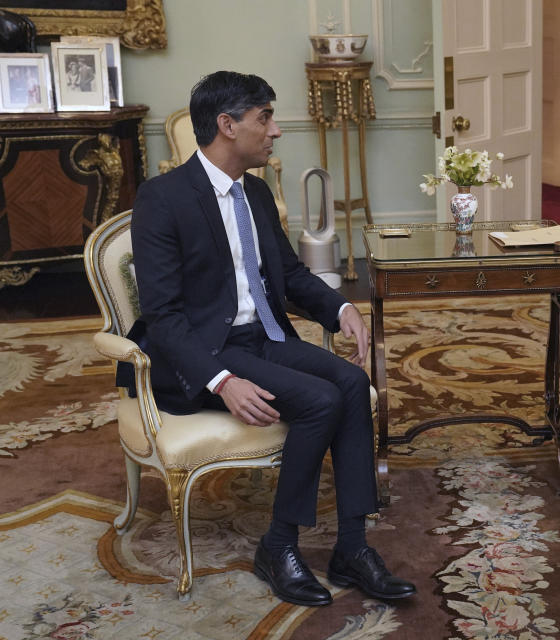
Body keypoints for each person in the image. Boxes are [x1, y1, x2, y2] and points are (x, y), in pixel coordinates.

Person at [128, 71, 416, 607]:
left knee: (352, 383)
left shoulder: (255, 192)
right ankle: (278, 546)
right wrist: (221, 381)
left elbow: (290, 273)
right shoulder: (162, 198)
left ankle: (352, 548)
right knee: (319, 399)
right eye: (266, 117)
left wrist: (341, 308)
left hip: (263, 336)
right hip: (206, 353)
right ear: (227, 125)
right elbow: (163, 317)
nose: (276, 131)